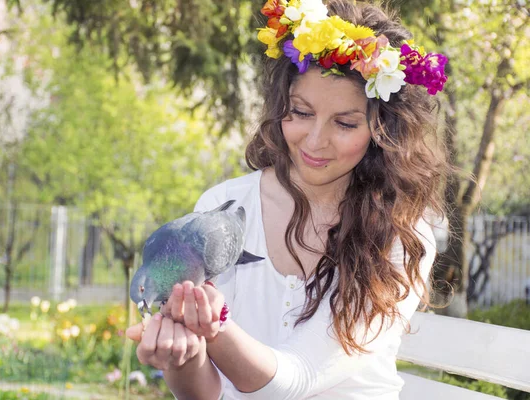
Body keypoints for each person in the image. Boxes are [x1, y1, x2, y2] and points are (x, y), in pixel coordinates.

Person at [126, 0, 449, 399]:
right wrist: (184, 356)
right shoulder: (226, 204)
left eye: (345, 123)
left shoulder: (401, 233)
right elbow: (205, 394)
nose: (315, 141)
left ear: (383, 132)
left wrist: (215, 326)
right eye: (300, 112)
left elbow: (294, 381)